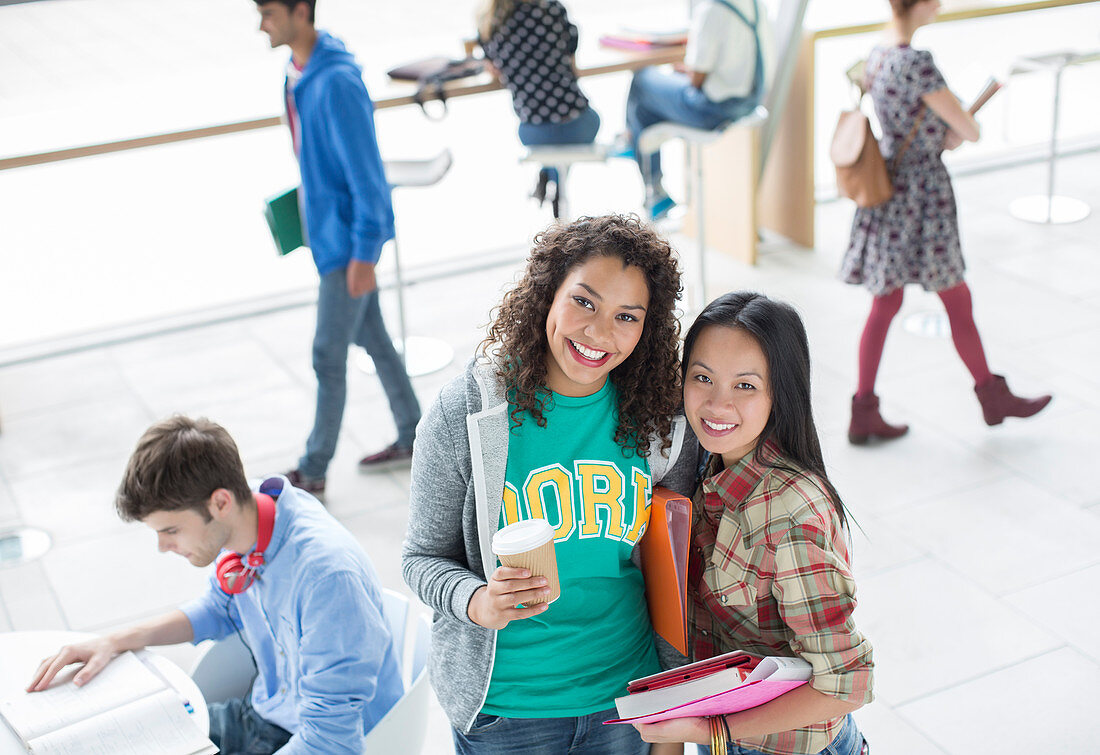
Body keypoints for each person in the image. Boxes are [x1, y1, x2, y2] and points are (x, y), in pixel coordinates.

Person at [403, 215, 698, 754]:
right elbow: (421, 558)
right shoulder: (469, 412)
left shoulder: (658, 418)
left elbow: (671, 570)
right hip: (508, 712)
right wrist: (477, 601)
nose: (599, 332)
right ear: (547, 293)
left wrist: (670, 711)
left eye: (626, 316)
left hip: (625, 698)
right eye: (583, 301)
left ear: (646, 330)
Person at [27, 416, 403, 755]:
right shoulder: (249, 512)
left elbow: (331, 741)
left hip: (320, 740)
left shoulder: (328, 578)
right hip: (266, 715)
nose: (163, 547)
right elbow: (220, 608)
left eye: (171, 530)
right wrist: (114, 639)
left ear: (220, 502)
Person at [635, 292, 873, 755]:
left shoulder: (790, 514)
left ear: (779, 393)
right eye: (702, 377)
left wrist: (711, 732)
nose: (716, 404)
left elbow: (848, 683)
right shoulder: (707, 465)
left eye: (745, 386)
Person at [840, 0, 1051, 444]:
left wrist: (944, 131)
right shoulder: (918, 62)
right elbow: (968, 131)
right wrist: (956, 128)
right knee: (956, 298)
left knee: (886, 304)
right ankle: (992, 397)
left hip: (890, 189)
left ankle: (864, 410)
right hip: (923, 195)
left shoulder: (879, 53)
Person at [255, 0, 421, 495]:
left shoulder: (336, 83)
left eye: (267, 12)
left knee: (328, 354)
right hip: (330, 238)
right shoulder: (298, 73)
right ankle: (415, 433)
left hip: (347, 247)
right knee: (374, 341)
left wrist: (364, 254)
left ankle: (314, 466)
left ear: (300, 11)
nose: (260, 23)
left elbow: (368, 178)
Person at [623, 0, 772, 220]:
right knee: (652, 102)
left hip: (713, 109)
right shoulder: (754, 4)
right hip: (748, 102)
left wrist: (684, 69)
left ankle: (640, 159)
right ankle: (651, 184)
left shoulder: (712, 9)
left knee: (642, 80)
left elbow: (696, 79)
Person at [477, 0, 601, 217]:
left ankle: (549, 175)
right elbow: (571, 58)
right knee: (573, 135)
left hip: (533, 132)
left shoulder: (491, 21)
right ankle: (555, 182)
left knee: (552, 148)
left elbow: (494, 69)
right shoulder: (552, 9)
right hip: (578, 124)